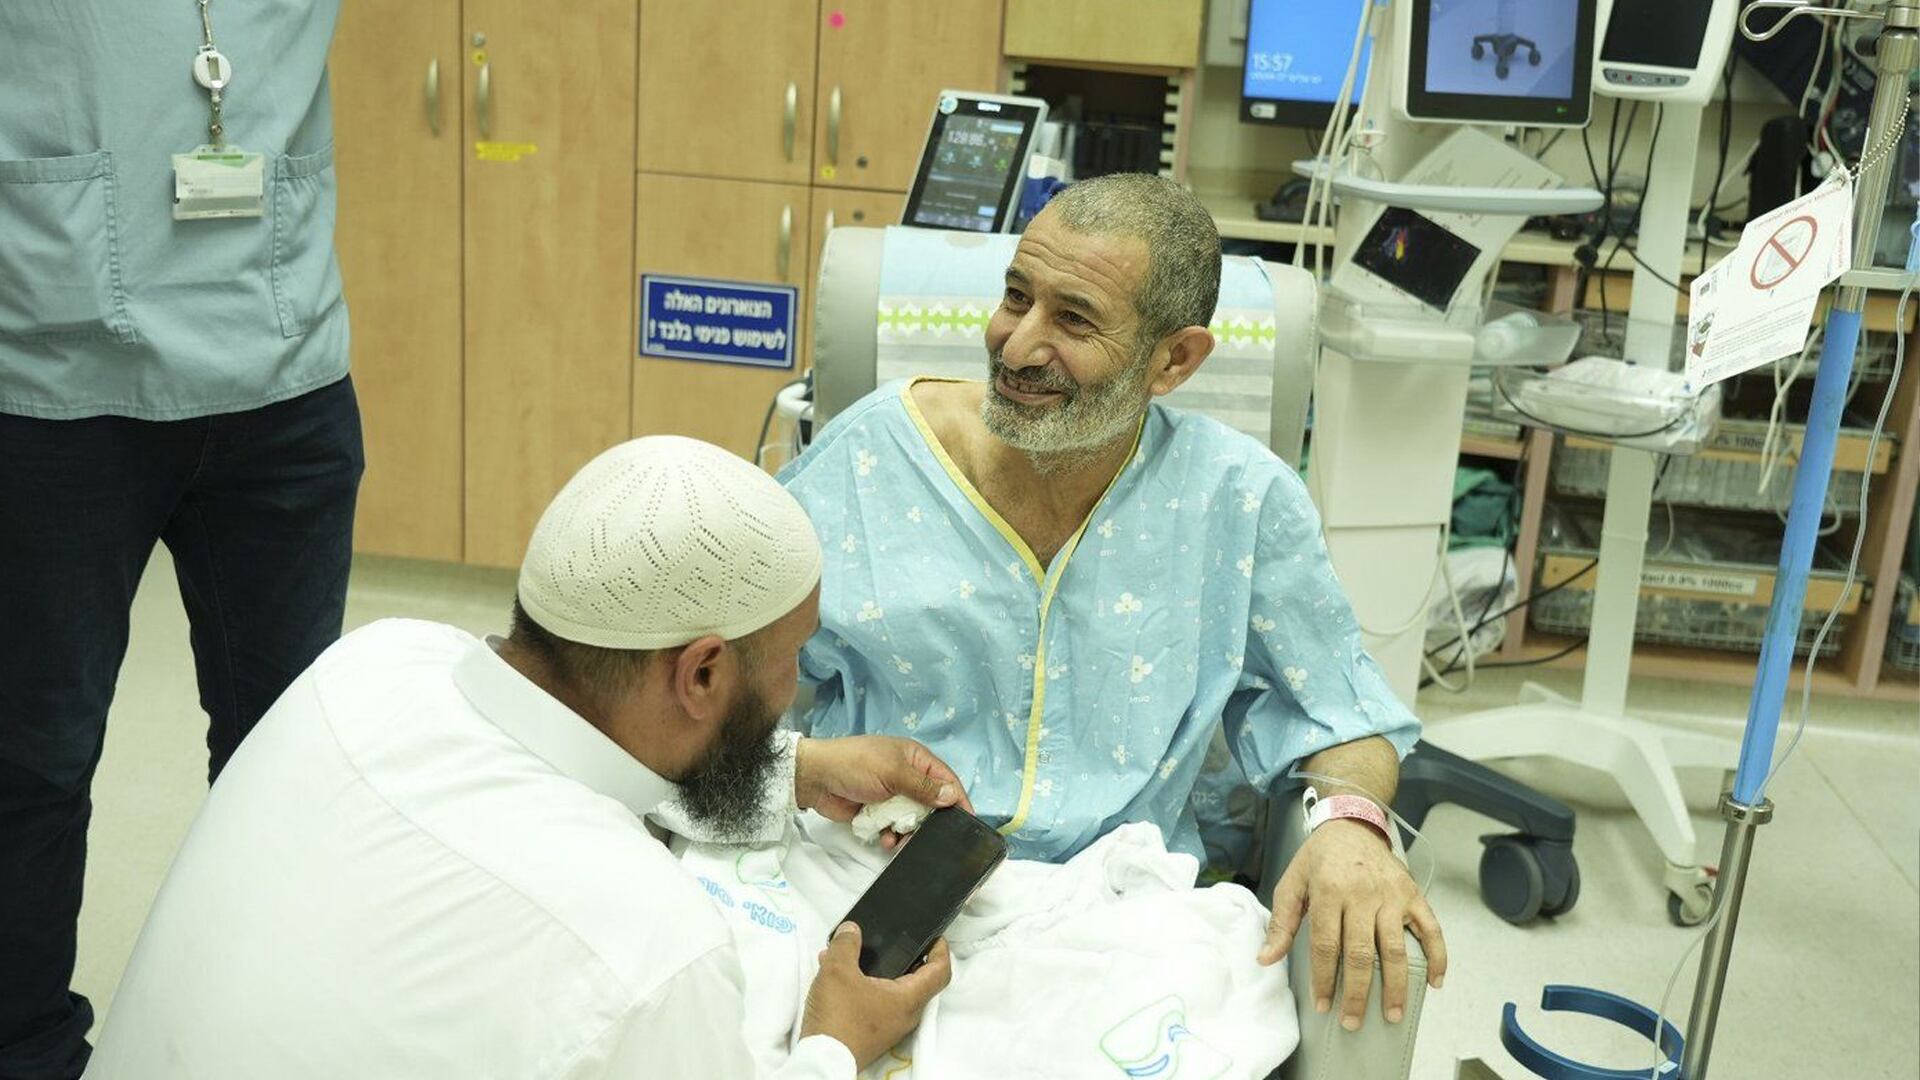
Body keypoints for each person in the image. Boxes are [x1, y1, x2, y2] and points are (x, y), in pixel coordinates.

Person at [779, 173, 1448, 1033]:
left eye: (1074, 320)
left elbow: (1338, 710)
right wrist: (805, 766)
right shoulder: (871, 460)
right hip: (868, 883)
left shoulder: (1236, 500)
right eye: (1015, 297)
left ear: (1175, 360)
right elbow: (724, 676)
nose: (1018, 346)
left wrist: (1351, 826)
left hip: (1116, 920)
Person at [87, 437, 969, 1079]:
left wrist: (791, 770)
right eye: (791, 658)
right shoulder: (654, 949)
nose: (794, 687)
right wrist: (833, 1042)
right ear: (702, 672)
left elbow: (560, 752)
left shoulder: (371, 660)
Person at [0, 5, 363, 1075]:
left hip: (286, 371)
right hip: (54, 378)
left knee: (286, 759)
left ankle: (272, 1036)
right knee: (32, 763)